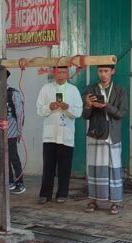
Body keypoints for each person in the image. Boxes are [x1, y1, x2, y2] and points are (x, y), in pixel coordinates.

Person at [82, 64, 128, 215]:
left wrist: (106, 106)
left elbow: (121, 113)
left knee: (114, 168)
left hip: (112, 134)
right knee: (95, 168)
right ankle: (93, 200)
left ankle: (115, 202)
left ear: (112, 71)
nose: (103, 74)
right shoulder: (91, 89)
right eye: (100, 71)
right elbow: (85, 115)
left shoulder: (120, 90)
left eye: (106, 71)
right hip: (96, 132)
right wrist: (88, 105)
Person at [35, 65, 83, 204]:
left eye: (64, 72)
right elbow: (39, 110)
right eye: (58, 72)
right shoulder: (46, 89)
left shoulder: (73, 90)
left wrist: (67, 108)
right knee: (48, 166)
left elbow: (78, 112)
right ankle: (45, 194)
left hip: (66, 134)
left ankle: (62, 193)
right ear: (54, 73)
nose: (61, 75)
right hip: (50, 134)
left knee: (65, 166)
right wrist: (49, 107)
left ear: (68, 73)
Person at [0, 70, 26, 194]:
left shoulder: (13, 93)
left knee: (13, 157)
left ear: (3, 79)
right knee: (3, 158)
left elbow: (20, 113)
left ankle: (20, 182)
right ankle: (10, 181)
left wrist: (19, 131)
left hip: (11, 132)